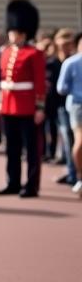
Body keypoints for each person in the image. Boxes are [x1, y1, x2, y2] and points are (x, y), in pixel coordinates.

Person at [0, 0, 46, 198]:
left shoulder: (34, 54)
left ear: (23, 33)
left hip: (27, 107)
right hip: (9, 105)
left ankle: (31, 186)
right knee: (12, 148)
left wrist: (40, 107)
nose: (11, 34)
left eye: (14, 31)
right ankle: (13, 182)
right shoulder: (6, 52)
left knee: (31, 150)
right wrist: (0, 101)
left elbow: (40, 83)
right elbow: (3, 80)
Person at [55, 30, 82, 195]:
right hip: (75, 106)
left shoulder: (71, 62)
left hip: (76, 105)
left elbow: (61, 88)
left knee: (76, 141)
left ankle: (78, 177)